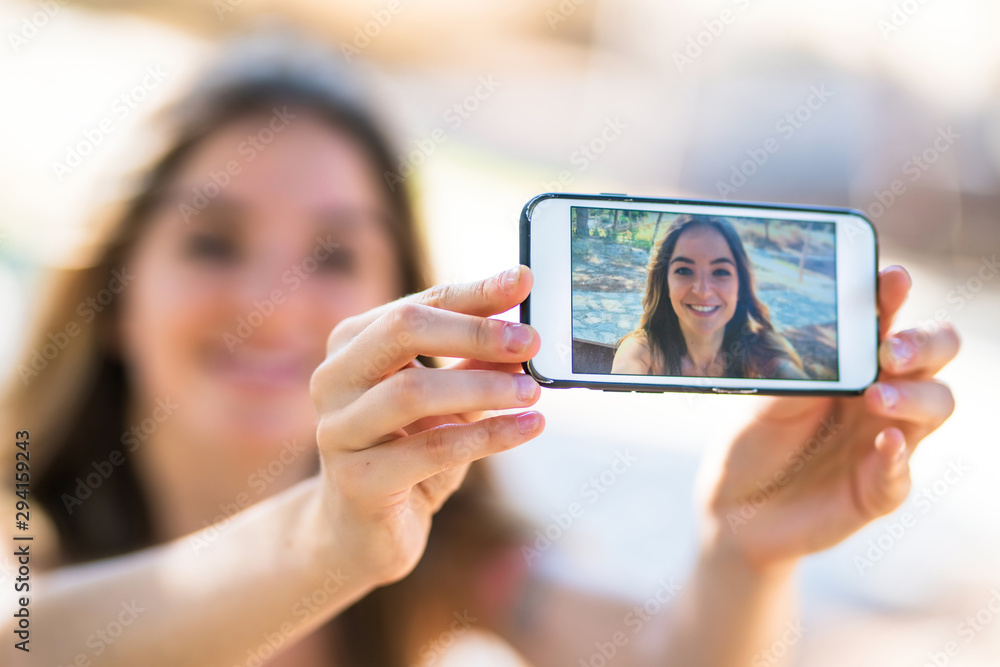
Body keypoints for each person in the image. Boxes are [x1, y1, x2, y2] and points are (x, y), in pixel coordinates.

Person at [2, 33, 959, 667]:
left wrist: (744, 554)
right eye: (213, 242)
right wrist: (327, 541)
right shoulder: (21, 505)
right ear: (116, 295)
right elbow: (27, 636)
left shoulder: (443, 552)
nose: (268, 303)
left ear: (395, 300)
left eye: (333, 253)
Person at [612, 214, 810, 379]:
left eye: (720, 272)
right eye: (684, 270)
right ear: (665, 283)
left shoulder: (759, 348)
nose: (703, 290)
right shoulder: (642, 351)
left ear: (740, 285)